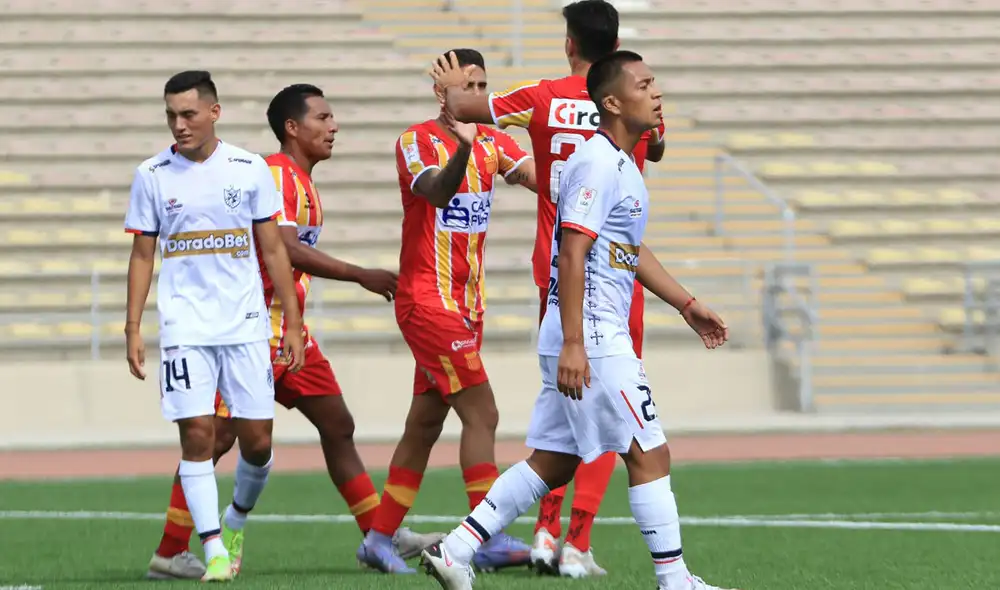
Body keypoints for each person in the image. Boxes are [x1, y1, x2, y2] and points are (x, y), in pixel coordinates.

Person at [420, 51, 735, 590]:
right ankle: (675, 579)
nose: (656, 92)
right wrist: (574, 342)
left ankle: (456, 549)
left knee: (554, 461)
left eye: (654, 81)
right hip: (590, 332)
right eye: (644, 84)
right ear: (612, 102)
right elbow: (571, 251)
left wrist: (686, 303)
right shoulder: (595, 162)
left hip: (584, 332)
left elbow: (626, 251)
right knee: (648, 449)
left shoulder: (621, 164)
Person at [143, 83, 444, 580]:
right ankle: (171, 549)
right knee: (216, 439)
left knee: (337, 424)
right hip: (249, 331)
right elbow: (285, 249)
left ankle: (378, 534)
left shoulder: (301, 181)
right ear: (292, 128)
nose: (333, 127)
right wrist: (360, 274)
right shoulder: (278, 175)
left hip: (287, 330)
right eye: (322, 118)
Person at [430, 1, 665, 576]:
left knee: (561, 443)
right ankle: (592, 549)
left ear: (568, 43)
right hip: (603, 283)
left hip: (556, 275)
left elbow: (463, 108)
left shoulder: (539, 96)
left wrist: (448, 87)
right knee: (635, 438)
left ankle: (513, 539)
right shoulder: (621, 122)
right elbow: (656, 147)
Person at [355, 48, 539, 575]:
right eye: (469, 85)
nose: (480, 94)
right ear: (442, 93)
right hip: (427, 300)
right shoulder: (416, 140)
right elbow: (437, 191)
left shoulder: (496, 139)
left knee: (424, 425)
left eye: (484, 85)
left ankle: (379, 537)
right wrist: (461, 150)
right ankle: (485, 536)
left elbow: (535, 175)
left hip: (467, 306)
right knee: (483, 413)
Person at [125, 70, 305, 582]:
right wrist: (133, 327)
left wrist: (291, 321)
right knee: (198, 436)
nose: (178, 125)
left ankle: (235, 520)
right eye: (170, 116)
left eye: (187, 114)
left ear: (213, 112)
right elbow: (142, 255)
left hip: (245, 326)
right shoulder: (152, 175)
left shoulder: (249, 169)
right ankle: (214, 553)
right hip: (184, 327)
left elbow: (273, 249)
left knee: (258, 443)